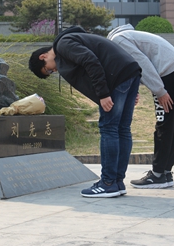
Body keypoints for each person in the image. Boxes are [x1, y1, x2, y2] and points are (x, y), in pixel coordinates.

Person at [29, 26, 141, 198]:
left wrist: (103, 94)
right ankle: (117, 182)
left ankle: (108, 183)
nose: (54, 70)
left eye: (49, 69)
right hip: (129, 72)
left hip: (117, 76)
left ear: (43, 56)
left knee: (109, 128)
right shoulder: (75, 39)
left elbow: (90, 61)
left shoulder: (63, 44)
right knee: (122, 129)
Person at [107, 24, 174, 189]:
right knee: (173, 123)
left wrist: (159, 91)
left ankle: (157, 175)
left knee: (164, 123)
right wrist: (134, 92)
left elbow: (142, 63)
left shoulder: (117, 40)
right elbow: (134, 68)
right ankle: (165, 172)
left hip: (166, 73)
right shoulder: (129, 36)